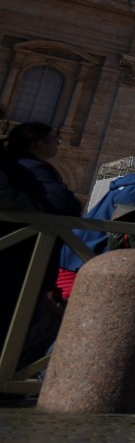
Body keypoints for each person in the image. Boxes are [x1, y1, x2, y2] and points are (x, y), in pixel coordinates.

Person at [0, 122, 79, 355]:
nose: (58, 143)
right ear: (38, 143)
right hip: (22, 258)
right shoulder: (35, 168)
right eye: (55, 138)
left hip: (16, 253)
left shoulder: (11, 162)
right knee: (19, 323)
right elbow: (64, 205)